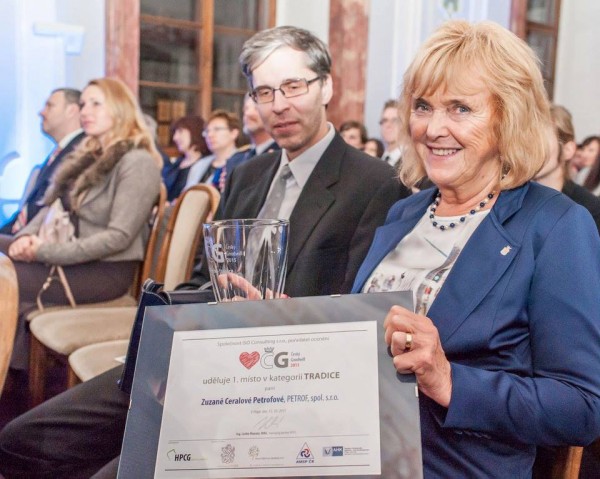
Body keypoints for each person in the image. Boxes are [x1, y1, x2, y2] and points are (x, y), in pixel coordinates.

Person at [0, 26, 409, 479]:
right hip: (204, 357)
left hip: (283, 380)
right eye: (264, 92)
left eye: (294, 86)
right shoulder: (249, 174)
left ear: (326, 86)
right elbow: (203, 278)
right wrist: (169, 336)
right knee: (22, 440)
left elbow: (356, 315)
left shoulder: (374, 184)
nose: (278, 105)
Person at [351, 20, 600, 477]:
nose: (433, 128)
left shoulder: (554, 226)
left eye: (460, 108)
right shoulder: (404, 214)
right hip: (359, 457)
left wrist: (450, 381)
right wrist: (291, 326)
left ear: (509, 118)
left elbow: (581, 406)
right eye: (423, 106)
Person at [0, 77, 162, 371]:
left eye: (96, 104)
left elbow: (118, 237)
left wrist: (42, 251)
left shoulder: (137, 162)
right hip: (68, 257)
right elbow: (51, 208)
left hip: (103, 273)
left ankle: (9, 377)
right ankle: (13, 374)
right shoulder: (87, 158)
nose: (85, 111)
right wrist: (26, 237)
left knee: (3, 275)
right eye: (84, 104)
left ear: (120, 109)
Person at [0, 88, 84, 234]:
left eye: (50, 106)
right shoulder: (58, 153)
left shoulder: (81, 152)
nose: (42, 112)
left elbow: (46, 209)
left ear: (72, 110)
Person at [534, 104, 600, 233]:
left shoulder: (590, 208)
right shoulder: (512, 198)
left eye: (542, 141)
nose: (532, 149)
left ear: (568, 150)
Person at [218, 93, 279, 192]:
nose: (248, 114)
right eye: (246, 109)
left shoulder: (283, 155)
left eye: (256, 108)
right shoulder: (236, 159)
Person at [184, 109, 240, 191]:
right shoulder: (199, 165)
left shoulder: (242, 163)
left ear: (234, 133)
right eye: (207, 131)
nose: (210, 135)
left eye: (217, 129)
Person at [161, 115, 210, 202]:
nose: (175, 138)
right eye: (175, 133)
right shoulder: (176, 164)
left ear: (194, 131)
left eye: (180, 131)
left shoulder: (205, 165)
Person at [379, 99, 403, 166]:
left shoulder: (412, 162)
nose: (388, 125)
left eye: (394, 120)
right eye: (385, 120)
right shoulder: (377, 158)